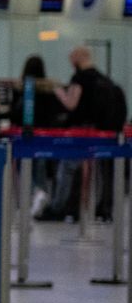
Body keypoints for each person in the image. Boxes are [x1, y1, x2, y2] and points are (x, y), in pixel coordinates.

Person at [47, 45, 121, 221]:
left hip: (78, 132)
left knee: (67, 170)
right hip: (99, 133)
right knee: (95, 172)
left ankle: (59, 208)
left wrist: (59, 93)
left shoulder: (79, 78)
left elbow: (71, 104)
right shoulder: (104, 79)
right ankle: (97, 208)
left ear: (77, 58)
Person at [10, 56, 66, 218]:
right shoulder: (49, 89)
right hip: (45, 134)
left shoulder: (21, 88)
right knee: (40, 168)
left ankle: (28, 198)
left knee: (23, 168)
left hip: (24, 134)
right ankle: (40, 193)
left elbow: (15, 113)